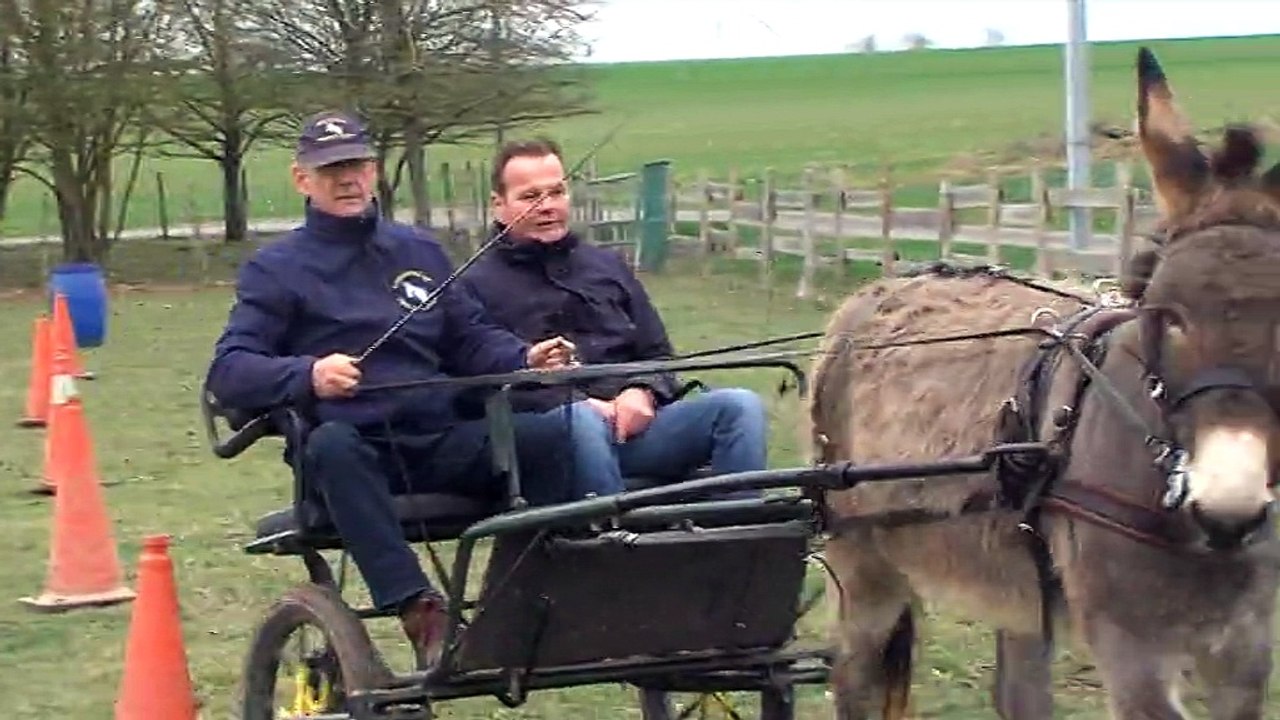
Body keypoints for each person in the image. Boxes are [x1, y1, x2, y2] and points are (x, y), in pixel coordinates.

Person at [204, 112, 595, 670]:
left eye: (357, 165)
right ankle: (419, 609)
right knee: (333, 444)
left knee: (554, 435)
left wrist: (523, 357)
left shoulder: (419, 251)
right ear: (302, 179)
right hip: (351, 454)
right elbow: (230, 370)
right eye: (331, 168)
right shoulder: (276, 269)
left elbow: (470, 338)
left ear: (374, 170)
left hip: (438, 439)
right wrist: (309, 374)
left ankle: (524, 600)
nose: (347, 179)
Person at [461, 137, 770, 495]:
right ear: (498, 205)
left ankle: (738, 538)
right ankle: (616, 544)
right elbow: (473, 387)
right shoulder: (472, 285)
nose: (548, 207)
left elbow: (658, 354)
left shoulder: (607, 266)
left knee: (739, 407)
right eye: (531, 197)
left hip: (636, 432)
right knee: (579, 422)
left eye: (557, 192)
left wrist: (641, 392)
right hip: (546, 443)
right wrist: (576, 405)